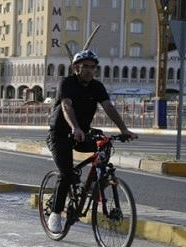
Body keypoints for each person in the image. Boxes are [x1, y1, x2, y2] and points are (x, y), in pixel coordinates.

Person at [46, 50, 138, 233]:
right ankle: (55, 214)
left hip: (82, 134)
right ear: (76, 68)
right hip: (61, 135)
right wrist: (75, 127)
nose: (89, 70)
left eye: (93, 67)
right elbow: (66, 106)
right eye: (85, 66)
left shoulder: (97, 86)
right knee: (66, 175)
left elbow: (108, 107)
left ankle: (97, 184)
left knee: (104, 146)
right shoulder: (66, 83)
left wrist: (124, 130)